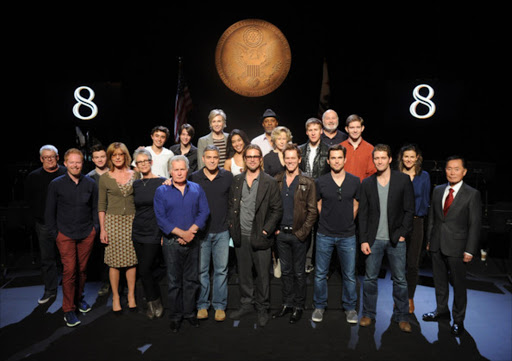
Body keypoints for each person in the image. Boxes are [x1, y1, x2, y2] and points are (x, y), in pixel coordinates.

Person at [358, 144, 415, 333]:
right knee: (370, 279)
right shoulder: (367, 183)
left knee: (400, 280)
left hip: (395, 240)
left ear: (390, 159)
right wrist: (364, 240)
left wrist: (402, 234)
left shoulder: (403, 180)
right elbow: (363, 214)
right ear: (373, 160)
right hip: (373, 240)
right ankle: (368, 314)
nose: (380, 161)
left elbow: (409, 211)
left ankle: (402, 316)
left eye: (383, 157)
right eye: (377, 158)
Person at [422, 155, 482, 336]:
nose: (452, 172)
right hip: (437, 244)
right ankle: (441, 311)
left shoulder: (472, 194)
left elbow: (475, 224)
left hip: (458, 247)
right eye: (449, 168)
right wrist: (429, 240)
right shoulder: (438, 190)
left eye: (456, 169)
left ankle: (458, 319)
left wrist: (470, 250)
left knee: (458, 285)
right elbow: (432, 218)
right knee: (439, 282)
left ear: (464, 172)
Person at [227, 144, 283, 327]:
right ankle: (246, 304)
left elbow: (277, 209)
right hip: (241, 235)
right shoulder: (237, 180)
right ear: (245, 159)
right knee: (244, 275)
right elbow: (231, 206)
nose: (252, 159)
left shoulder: (270, 182)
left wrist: (266, 230)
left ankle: (262, 308)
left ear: (260, 159)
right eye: (249, 156)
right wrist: (232, 227)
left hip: (261, 236)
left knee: (262, 276)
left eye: (255, 156)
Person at [154, 155, 210, 333]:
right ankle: (176, 316)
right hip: (171, 243)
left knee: (191, 280)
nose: (179, 172)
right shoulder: (161, 191)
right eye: (175, 169)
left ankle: (189, 314)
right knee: (174, 281)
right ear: (170, 171)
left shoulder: (196, 188)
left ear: (187, 170)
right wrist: (182, 233)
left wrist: (191, 232)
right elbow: (161, 219)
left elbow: (204, 212)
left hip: (192, 241)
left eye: (182, 169)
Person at [45, 148, 98, 327]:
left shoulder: (90, 183)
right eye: (72, 162)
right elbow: (49, 212)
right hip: (65, 234)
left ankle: (78, 298)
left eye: (79, 162)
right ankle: (68, 309)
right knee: (69, 271)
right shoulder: (56, 184)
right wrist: (56, 234)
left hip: (86, 233)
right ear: (65, 163)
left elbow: (94, 208)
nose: (76, 165)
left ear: (83, 163)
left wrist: (94, 229)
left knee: (82, 270)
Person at [311, 144, 361, 324]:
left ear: (345, 159)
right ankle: (319, 306)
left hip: (347, 235)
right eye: (333, 158)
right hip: (324, 234)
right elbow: (318, 204)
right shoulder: (321, 181)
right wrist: (327, 220)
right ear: (328, 160)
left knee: (349, 274)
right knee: (320, 273)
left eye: (340, 157)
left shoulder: (355, 181)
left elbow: (356, 204)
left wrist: (347, 220)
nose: (336, 161)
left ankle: (350, 308)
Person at [272, 144, 317, 324]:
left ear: (299, 159)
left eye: (293, 158)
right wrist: (275, 229)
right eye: (287, 158)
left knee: (299, 273)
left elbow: (313, 211)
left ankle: (299, 306)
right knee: (286, 272)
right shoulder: (277, 180)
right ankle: (287, 304)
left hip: (299, 235)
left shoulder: (308, 182)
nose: (290, 161)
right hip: (281, 234)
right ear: (284, 160)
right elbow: (272, 207)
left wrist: (302, 233)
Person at [189, 145, 233, 322]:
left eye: (215, 157)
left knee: (221, 270)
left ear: (219, 158)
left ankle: (220, 306)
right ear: (204, 158)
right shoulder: (194, 177)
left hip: (222, 231)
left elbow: (233, 200)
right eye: (209, 157)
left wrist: (230, 223)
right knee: (202, 271)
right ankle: (202, 305)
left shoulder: (227, 176)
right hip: (202, 232)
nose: (212, 160)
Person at [98, 142, 140, 313]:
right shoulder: (105, 177)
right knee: (114, 263)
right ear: (110, 157)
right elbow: (101, 205)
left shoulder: (135, 174)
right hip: (112, 222)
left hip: (132, 221)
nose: (117, 157)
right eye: (114, 155)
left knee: (132, 261)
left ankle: (131, 296)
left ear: (125, 156)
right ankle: (115, 297)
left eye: (120, 154)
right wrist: (102, 228)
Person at [24, 144, 67, 304]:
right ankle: (50, 290)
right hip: (43, 225)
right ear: (41, 159)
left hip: (64, 224)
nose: (49, 160)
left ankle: (74, 293)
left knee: (68, 260)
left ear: (57, 157)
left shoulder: (65, 172)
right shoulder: (33, 177)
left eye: (52, 157)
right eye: (46, 157)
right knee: (47, 259)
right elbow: (29, 200)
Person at [132, 148, 166, 320]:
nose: (143, 164)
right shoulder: (135, 184)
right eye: (140, 162)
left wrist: (163, 233)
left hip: (154, 231)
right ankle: (151, 304)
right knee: (143, 269)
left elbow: (167, 209)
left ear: (151, 162)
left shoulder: (162, 182)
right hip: (137, 231)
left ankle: (155, 301)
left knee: (145, 268)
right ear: (136, 166)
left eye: (146, 161)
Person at [397, 144, 431, 313]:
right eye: (406, 156)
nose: (409, 159)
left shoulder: (424, 176)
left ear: (417, 157)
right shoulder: (396, 175)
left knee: (412, 263)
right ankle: (398, 297)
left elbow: (425, 202)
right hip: (399, 223)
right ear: (401, 158)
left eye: (412, 156)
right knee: (398, 263)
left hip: (417, 222)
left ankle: (409, 297)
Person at [298, 117, 331, 273]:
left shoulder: (329, 150)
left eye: (316, 130)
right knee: (305, 228)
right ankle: (306, 262)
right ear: (306, 132)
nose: (313, 133)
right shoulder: (300, 150)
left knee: (321, 230)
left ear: (321, 131)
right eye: (310, 130)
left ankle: (321, 265)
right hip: (302, 195)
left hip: (321, 195)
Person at [86, 144, 110, 296]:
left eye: (102, 156)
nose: (100, 159)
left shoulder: (115, 173)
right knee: (103, 254)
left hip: (117, 218)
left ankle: (123, 284)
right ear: (93, 159)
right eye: (97, 157)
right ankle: (106, 282)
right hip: (98, 220)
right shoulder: (89, 177)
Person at [340, 114, 376, 181]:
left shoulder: (370, 149)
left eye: (358, 127)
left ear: (362, 128)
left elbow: (372, 173)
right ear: (346, 129)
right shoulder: (340, 147)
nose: (355, 130)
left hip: (362, 189)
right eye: (352, 128)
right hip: (342, 188)